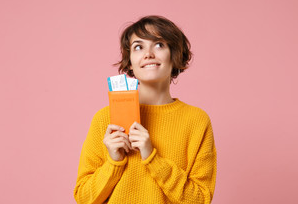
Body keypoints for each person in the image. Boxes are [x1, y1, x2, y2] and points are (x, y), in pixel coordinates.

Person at [74, 15, 217, 203]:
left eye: (159, 45)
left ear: (175, 55)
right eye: (138, 47)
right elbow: (83, 198)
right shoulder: (104, 119)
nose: (148, 54)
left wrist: (152, 157)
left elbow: (201, 199)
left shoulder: (196, 121)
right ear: (130, 62)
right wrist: (114, 162)